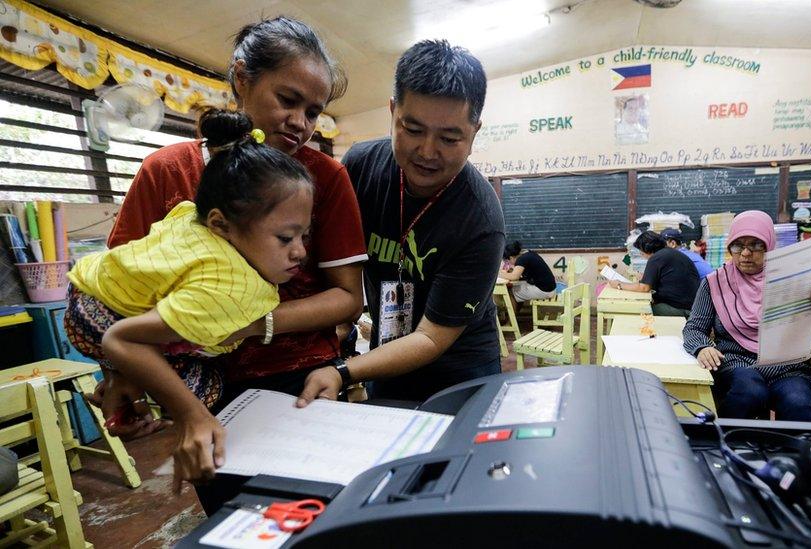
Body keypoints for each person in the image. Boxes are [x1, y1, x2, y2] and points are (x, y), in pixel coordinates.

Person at [96, 17, 366, 490]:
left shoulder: (324, 177)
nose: (301, 123)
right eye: (288, 100)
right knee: (236, 514)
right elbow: (119, 285)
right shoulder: (167, 171)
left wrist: (250, 323)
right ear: (242, 79)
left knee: (310, 507)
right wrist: (122, 372)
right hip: (193, 386)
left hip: (298, 379)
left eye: (314, 111)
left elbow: (347, 299)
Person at [66, 109, 313, 489]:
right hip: (100, 321)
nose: (300, 253)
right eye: (285, 238)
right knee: (204, 389)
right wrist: (191, 415)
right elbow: (120, 339)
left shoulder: (195, 216)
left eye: (303, 237)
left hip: (91, 288)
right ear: (220, 225)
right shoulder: (231, 287)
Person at [299, 39, 505, 404]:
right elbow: (331, 265)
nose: (427, 152)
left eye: (449, 137)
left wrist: (344, 371)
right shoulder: (360, 166)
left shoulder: (480, 218)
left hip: (460, 370)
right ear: (393, 111)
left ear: (474, 134)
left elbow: (430, 338)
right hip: (387, 354)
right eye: (412, 129)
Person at [682, 211, 811, 422]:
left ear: (769, 245)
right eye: (738, 246)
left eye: (756, 245)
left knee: (798, 403)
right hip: (737, 362)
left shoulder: (794, 278)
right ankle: (732, 447)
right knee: (749, 392)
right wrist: (702, 347)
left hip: (788, 365)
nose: (746, 253)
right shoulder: (715, 282)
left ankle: (791, 453)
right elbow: (694, 327)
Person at [610, 230, 699, 317]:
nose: (641, 254)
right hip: (694, 306)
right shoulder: (668, 252)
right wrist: (646, 278)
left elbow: (644, 287)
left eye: (640, 250)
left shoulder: (656, 258)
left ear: (646, 248)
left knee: (640, 310)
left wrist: (619, 284)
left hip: (684, 309)